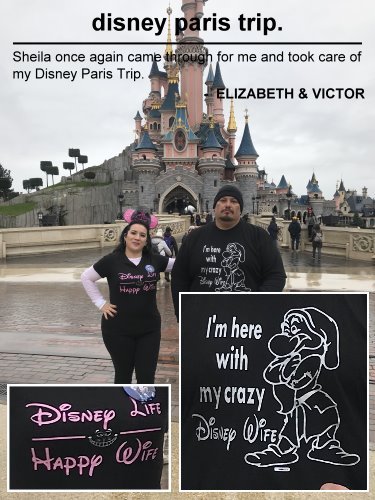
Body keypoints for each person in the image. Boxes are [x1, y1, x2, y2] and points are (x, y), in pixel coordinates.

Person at [81, 209, 175, 383]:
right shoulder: (112, 260)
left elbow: (182, 266)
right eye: (133, 233)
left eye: (142, 235)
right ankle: (122, 410)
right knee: (123, 376)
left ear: (147, 240)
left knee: (146, 377)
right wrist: (101, 303)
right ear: (125, 236)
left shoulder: (154, 260)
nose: (137, 237)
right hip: (117, 330)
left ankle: (144, 409)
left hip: (149, 329)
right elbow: (86, 277)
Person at [171, 185, 286, 318]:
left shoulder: (259, 237)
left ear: (240, 208)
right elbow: (179, 277)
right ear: (215, 206)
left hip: (246, 323)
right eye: (223, 200)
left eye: (233, 201)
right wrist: (183, 314)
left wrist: (257, 304)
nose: (228, 205)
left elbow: (276, 276)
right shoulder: (195, 237)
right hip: (203, 322)